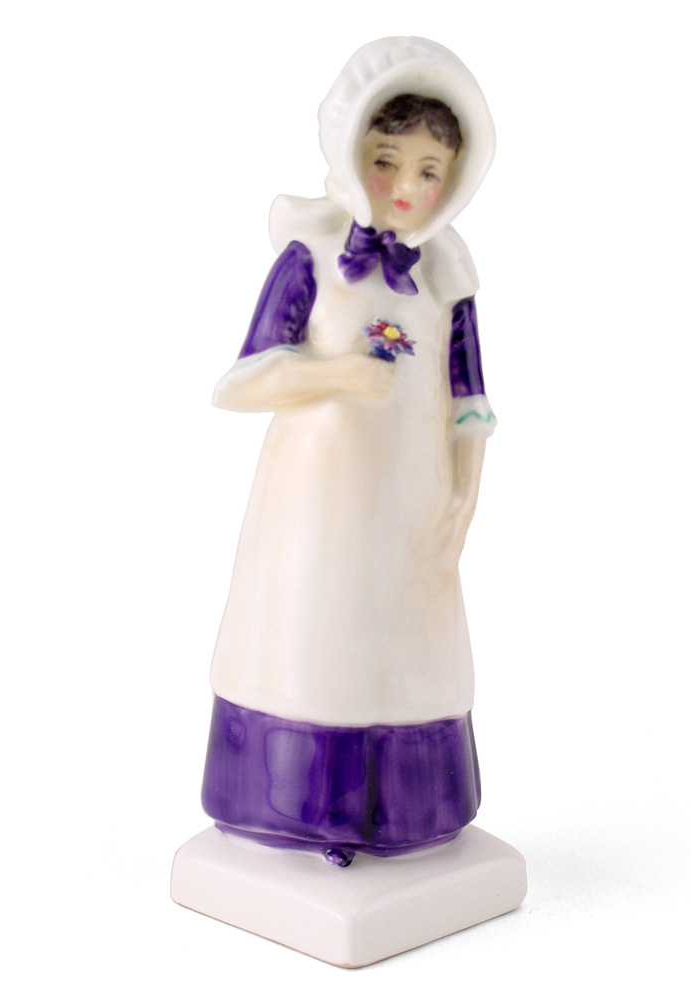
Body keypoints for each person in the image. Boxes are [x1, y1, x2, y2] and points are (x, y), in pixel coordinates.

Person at [200, 37, 497, 866]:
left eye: (430, 171)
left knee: (404, 652)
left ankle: (403, 815)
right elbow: (240, 382)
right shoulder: (314, 257)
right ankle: (293, 811)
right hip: (316, 507)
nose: (405, 187)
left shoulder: (447, 280)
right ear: (350, 149)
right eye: (387, 160)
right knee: (312, 640)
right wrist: (333, 374)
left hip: (410, 505)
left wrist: (464, 499)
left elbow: (470, 405)